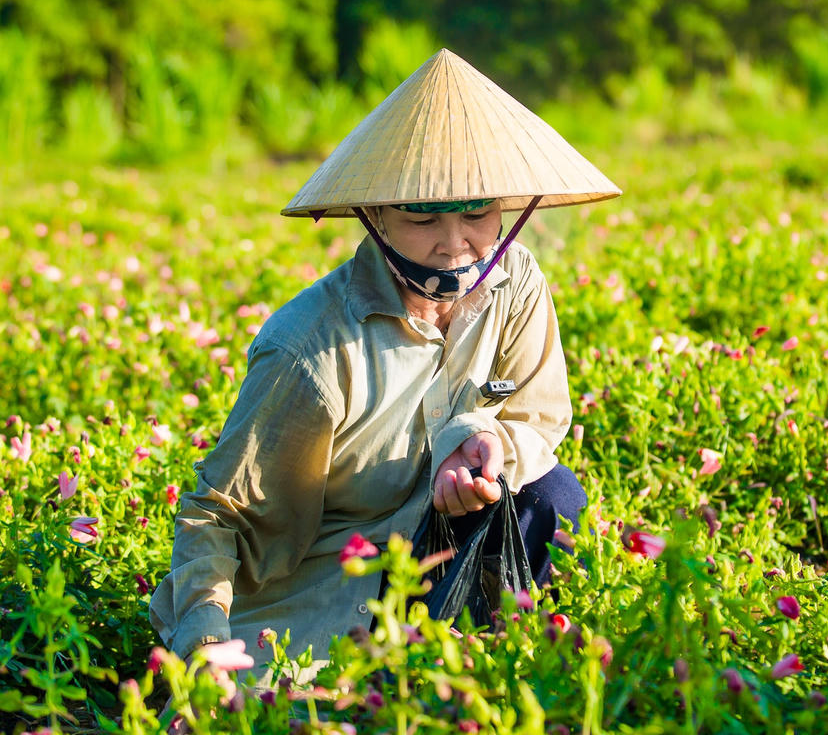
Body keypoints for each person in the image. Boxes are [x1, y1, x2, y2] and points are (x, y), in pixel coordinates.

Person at [149, 48, 620, 678]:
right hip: (336, 579)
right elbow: (220, 513)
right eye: (421, 213)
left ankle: (483, 665)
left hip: (441, 549)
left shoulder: (517, 284)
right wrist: (204, 648)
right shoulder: (310, 347)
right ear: (375, 215)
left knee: (552, 496)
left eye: (478, 211)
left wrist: (483, 445)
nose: (455, 241)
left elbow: (539, 419)